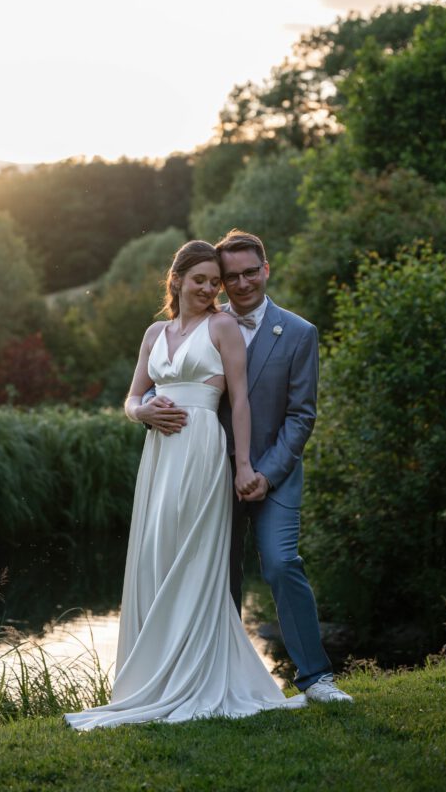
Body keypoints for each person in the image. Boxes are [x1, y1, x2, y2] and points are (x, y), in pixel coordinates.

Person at [65, 240, 307, 730]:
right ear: (174, 280)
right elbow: (132, 398)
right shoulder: (154, 332)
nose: (209, 289)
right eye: (200, 280)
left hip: (201, 454)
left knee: (194, 561)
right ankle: (154, 675)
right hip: (158, 458)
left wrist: (242, 466)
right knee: (156, 557)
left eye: (214, 282)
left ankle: (197, 675)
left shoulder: (224, 327)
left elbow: (240, 403)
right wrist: (142, 411)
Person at [145, 230, 352, 704]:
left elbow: (302, 415)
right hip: (209, 475)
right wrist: (150, 408)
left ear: (266, 270)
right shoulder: (201, 327)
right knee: (217, 573)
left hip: (273, 475)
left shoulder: (299, 333)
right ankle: (216, 679)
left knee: (281, 564)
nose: (240, 284)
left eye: (248, 273)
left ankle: (316, 678)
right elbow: (175, 386)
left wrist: (264, 472)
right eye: (229, 276)